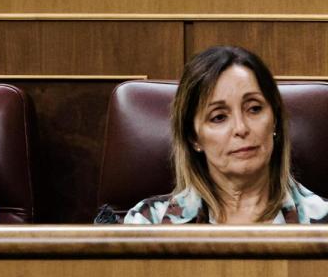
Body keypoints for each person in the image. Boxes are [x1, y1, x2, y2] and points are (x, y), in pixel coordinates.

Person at [123, 45, 328, 224]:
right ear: (193, 138)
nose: (241, 128)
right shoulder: (149, 223)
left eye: (254, 109)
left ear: (274, 119)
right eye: (219, 117)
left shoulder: (321, 222)